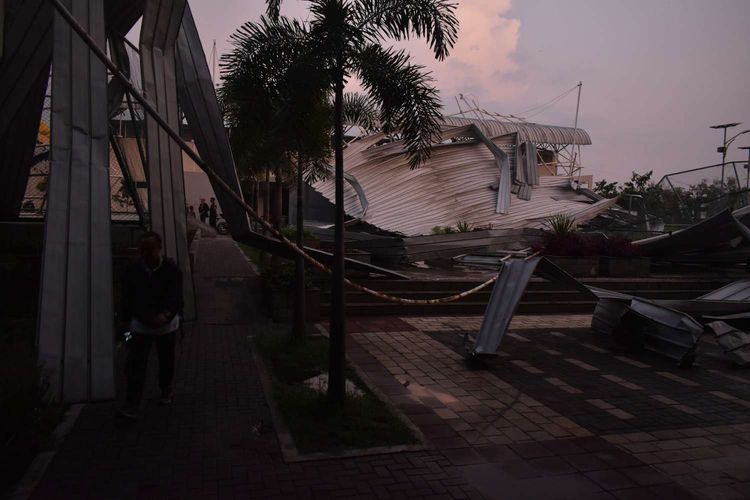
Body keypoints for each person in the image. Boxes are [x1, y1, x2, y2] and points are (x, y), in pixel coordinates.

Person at [119, 231, 183, 420]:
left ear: (159, 249)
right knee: (135, 365)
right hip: (140, 325)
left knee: (166, 360)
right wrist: (125, 328)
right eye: (143, 249)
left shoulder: (171, 270)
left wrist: (166, 314)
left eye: (150, 249)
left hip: (166, 325)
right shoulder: (133, 271)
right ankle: (132, 403)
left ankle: (165, 389)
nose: (146, 253)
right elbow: (128, 299)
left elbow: (177, 297)